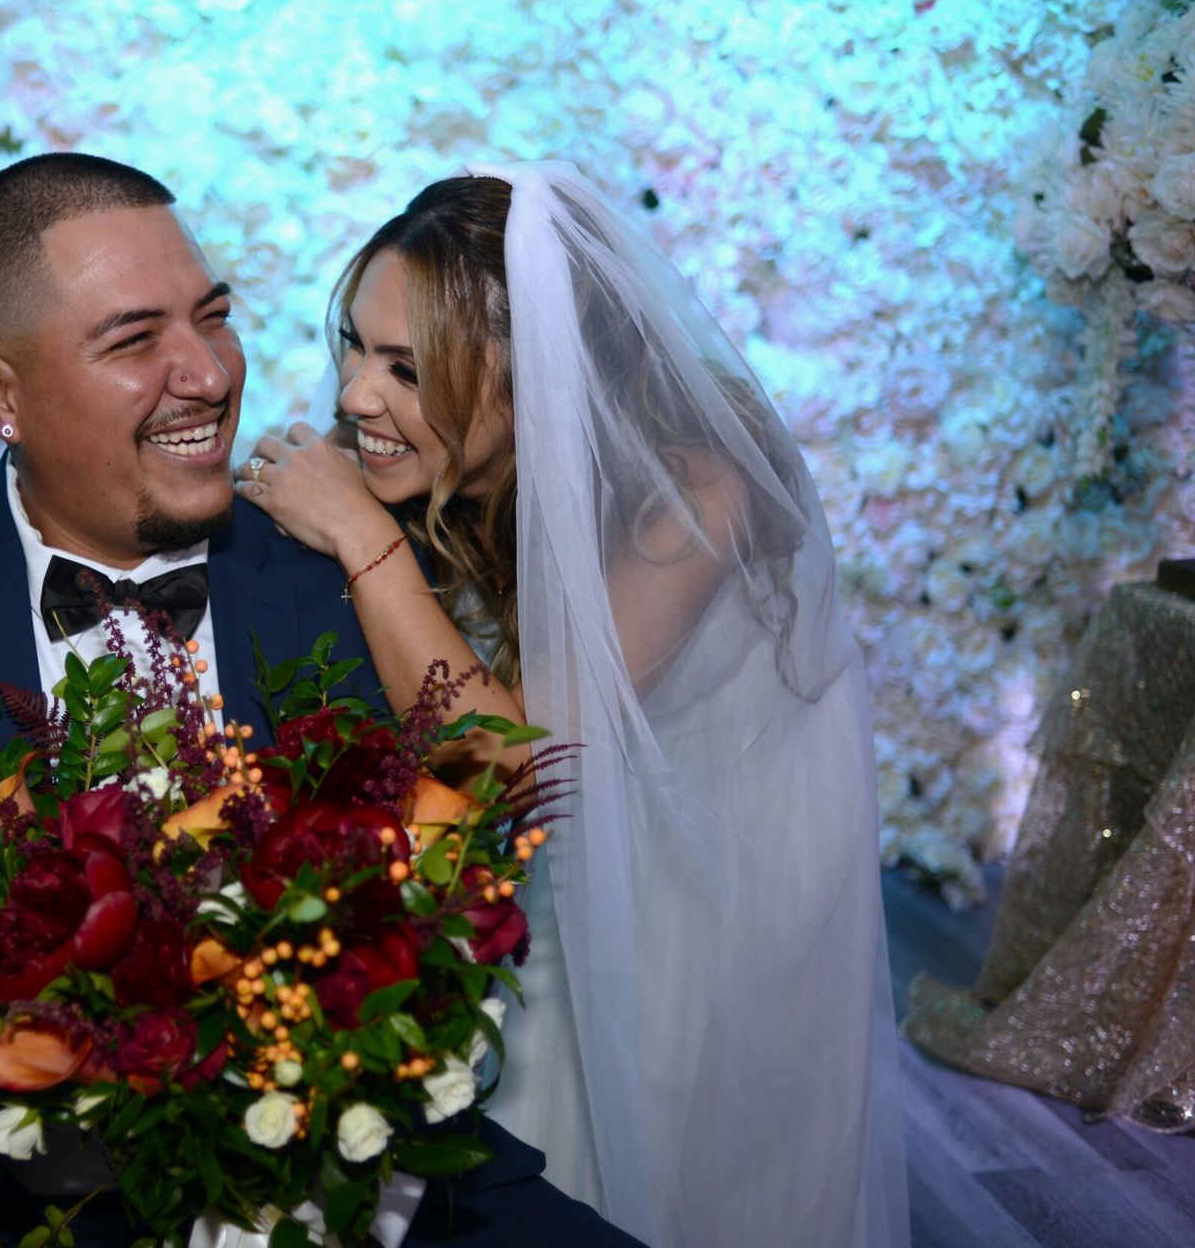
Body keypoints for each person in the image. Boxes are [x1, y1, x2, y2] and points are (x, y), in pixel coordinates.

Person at [0, 153, 644, 1248]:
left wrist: (326, 1195)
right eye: (134, 340)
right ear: (0, 394)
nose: (210, 373)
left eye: (212, 317)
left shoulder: (359, 582)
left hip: (353, 1182)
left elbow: (471, 869)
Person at [234, 162, 910, 1248]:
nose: (357, 396)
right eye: (356, 347)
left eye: (409, 369)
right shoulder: (443, 473)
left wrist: (361, 538)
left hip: (707, 879)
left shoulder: (698, 490)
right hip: (558, 856)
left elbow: (514, 764)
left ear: (539, 373)